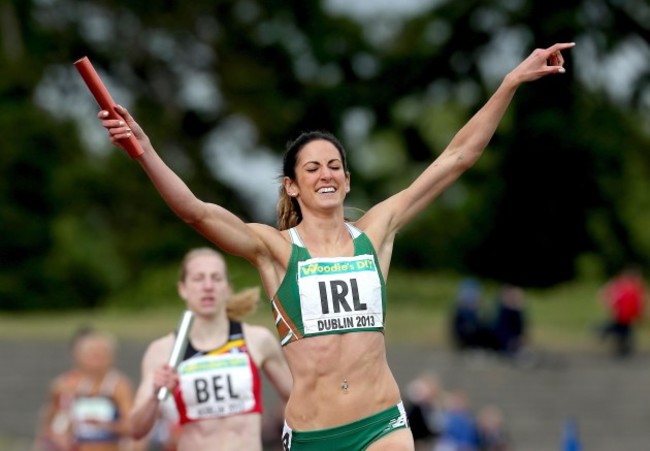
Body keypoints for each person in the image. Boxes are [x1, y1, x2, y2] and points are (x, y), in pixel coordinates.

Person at [96, 42, 575, 450]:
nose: (325, 174)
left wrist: (510, 81)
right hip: (315, 433)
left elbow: (456, 158)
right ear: (291, 187)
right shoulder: (276, 249)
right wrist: (144, 150)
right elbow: (195, 212)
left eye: (334, 166)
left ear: (347, 180)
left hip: (383, 422)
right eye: (312, 168)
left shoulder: (376, 232)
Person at [128, 247, 292, 451]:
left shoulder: (257, 340)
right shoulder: (163, 350)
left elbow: (296, 397)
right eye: (198, 278)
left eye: (216, 278)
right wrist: (154, 395)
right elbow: (135, 429)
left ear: (228, 288)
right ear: (183, 289)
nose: (208, 286)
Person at [34, 329, 138, 451]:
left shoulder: (119, 386)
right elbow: (49, 421)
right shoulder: (65, 385)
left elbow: (133, 426)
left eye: (101, 355)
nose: (97, 361)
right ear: (79, 357)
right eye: (92, 355)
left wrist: (106, 426)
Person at [597, 266, 647, 357]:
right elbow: (611, 296)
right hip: (622, 315)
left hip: (627, 316)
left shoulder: (633, 288)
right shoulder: (623, 286)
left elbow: (638, 303)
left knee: (624, 332)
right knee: (622, 331)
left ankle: (622, 347)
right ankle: (603, 332)